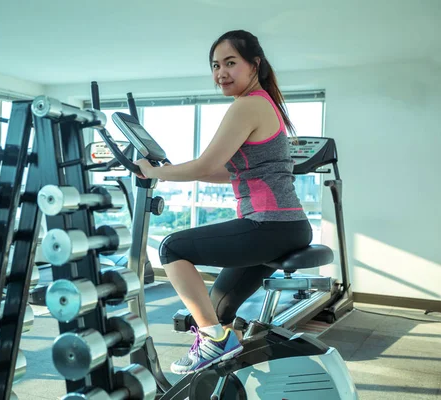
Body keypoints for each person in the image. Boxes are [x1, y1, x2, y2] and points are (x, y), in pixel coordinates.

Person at [133, 30, 313, 374]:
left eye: (230, 63)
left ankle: (214, 340)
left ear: (254, 65)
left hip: (269, 226)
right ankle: (219, 369)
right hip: (288, 227)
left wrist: (157, 172)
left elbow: (203, 164)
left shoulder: (248, 105)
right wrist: (171, 170)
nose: (221, 74)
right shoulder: (264, 104)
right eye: (216, 66)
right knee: (217, 308)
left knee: (171, 248)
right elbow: (227, 172)